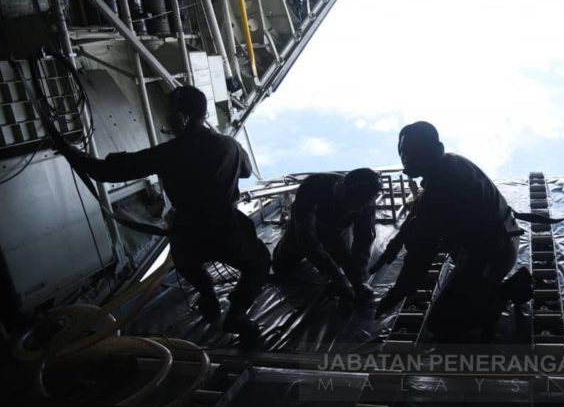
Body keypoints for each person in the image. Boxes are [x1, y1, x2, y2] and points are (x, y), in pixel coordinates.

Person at [69, 85, 269, 341]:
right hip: (227, 227)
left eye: (171, 114)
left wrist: (70, 152)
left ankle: (208, 299)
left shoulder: (169, 152)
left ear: (181, 117)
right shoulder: (229, 145)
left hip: (188, 232)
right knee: (258, 263)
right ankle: (237, 314)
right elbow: (246, 172)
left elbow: (106, 172)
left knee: (191, 267)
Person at [374, 121, 530, 342]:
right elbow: (418, 211)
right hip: (493, 242)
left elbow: (420, 255)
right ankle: (480, 287)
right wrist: (395, 244)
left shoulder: (443, 186)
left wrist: (397, 293)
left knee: (442, 324)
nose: (406, 158)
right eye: (402, 152)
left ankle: (508, 291)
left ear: (435, 150)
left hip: (493, 253)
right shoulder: (449, 164)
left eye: (412, 151)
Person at [272, 168, 382, 300]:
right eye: (351, 205)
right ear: (342, 190)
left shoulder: (366, 202)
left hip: (337, 232)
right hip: (304, 226)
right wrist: (337, 276)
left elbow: (364, 238)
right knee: (281, 266)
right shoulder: (313, 186)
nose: (355, 210)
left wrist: (359, 280)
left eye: (359, 207)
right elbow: (306, 237)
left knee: (346, 264)